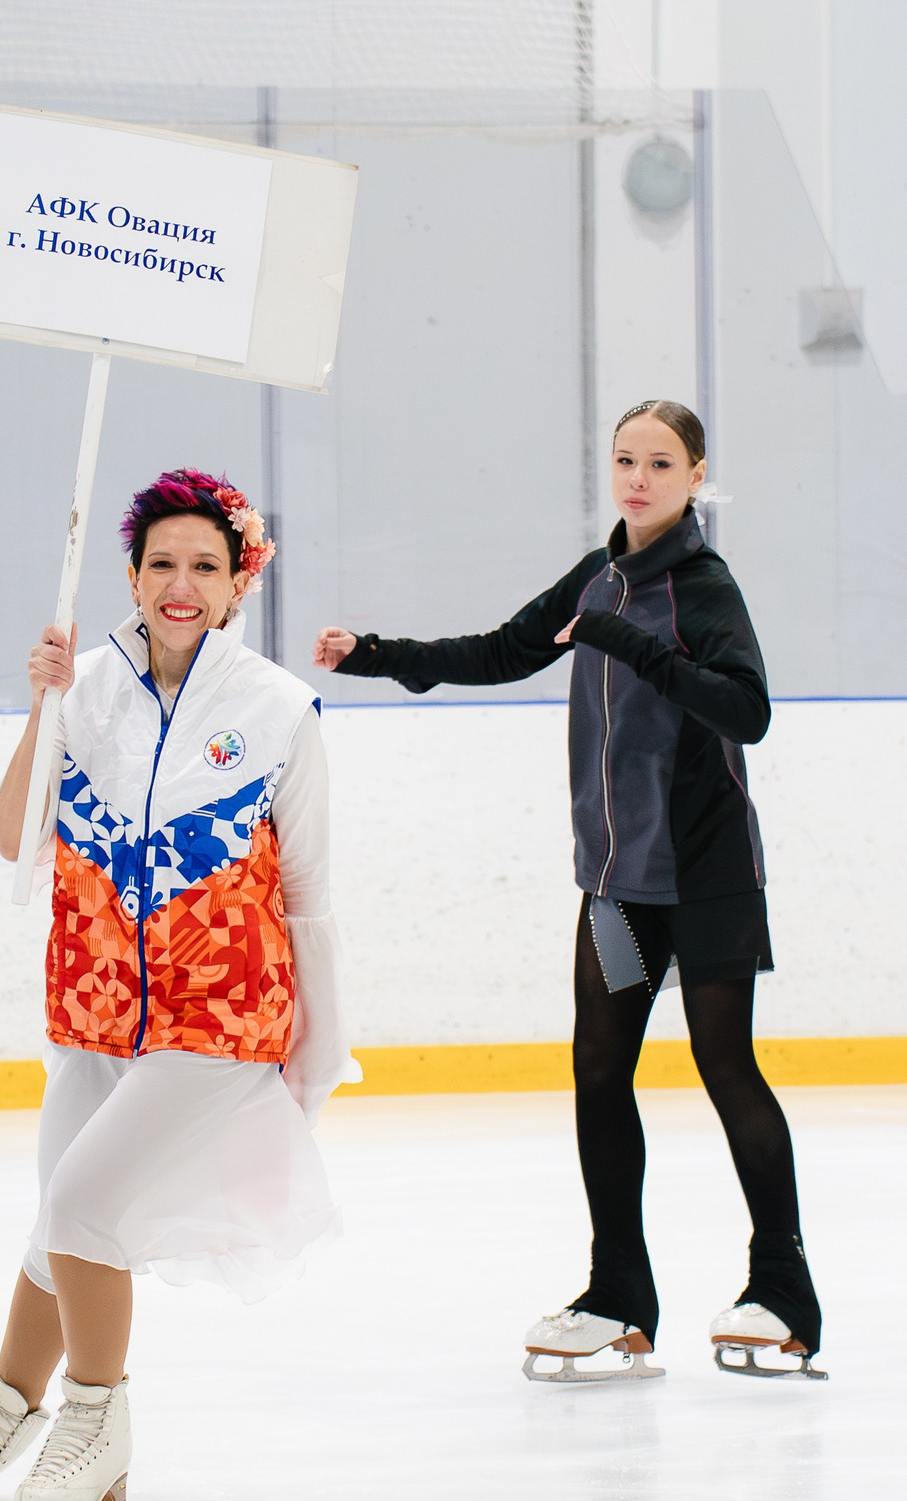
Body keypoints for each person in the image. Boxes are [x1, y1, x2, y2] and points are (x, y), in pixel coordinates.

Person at [0, 470, 355, 1501]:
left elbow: (312, 889)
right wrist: (39, 705)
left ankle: (97, 1424)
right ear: (131, 577)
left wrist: (319, 1043)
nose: (180, 585)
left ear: (239, 585)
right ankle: (5, 1411)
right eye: (160, 564)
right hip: (95, 1003)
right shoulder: (83, 684)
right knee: (57, 1224)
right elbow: (15, 835)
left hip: (222, 1013)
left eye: (204, 566)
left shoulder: (278, 709)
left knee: (85, 1205)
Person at [312, 401, 823, 1382]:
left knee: (726, 1066)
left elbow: (745, 711)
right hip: (617, 891)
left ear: (696, 474)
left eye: (660, 462)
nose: (637, 477)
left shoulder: (703, 590)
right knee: (599, 1072)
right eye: (625, 458)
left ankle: (783, 1292)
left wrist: (631, 645)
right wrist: (380, 655)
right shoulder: (601, 576)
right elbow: (506, 649)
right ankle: (619, 1297)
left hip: (707, 883)